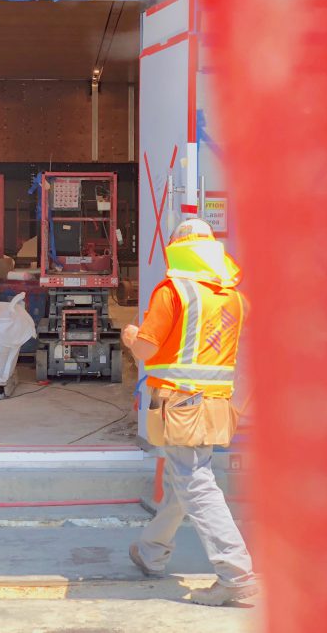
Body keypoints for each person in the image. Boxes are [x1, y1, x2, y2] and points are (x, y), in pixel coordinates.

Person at [120, 217, 256, 606]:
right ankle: (151, 550)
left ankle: (236, 573)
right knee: (188, 475)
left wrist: (130, 335)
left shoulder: (174, 291)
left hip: (179, 403)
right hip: (216, 404)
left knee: (193, 480)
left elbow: (146, 349)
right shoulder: (235, 298)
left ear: (177, 249)